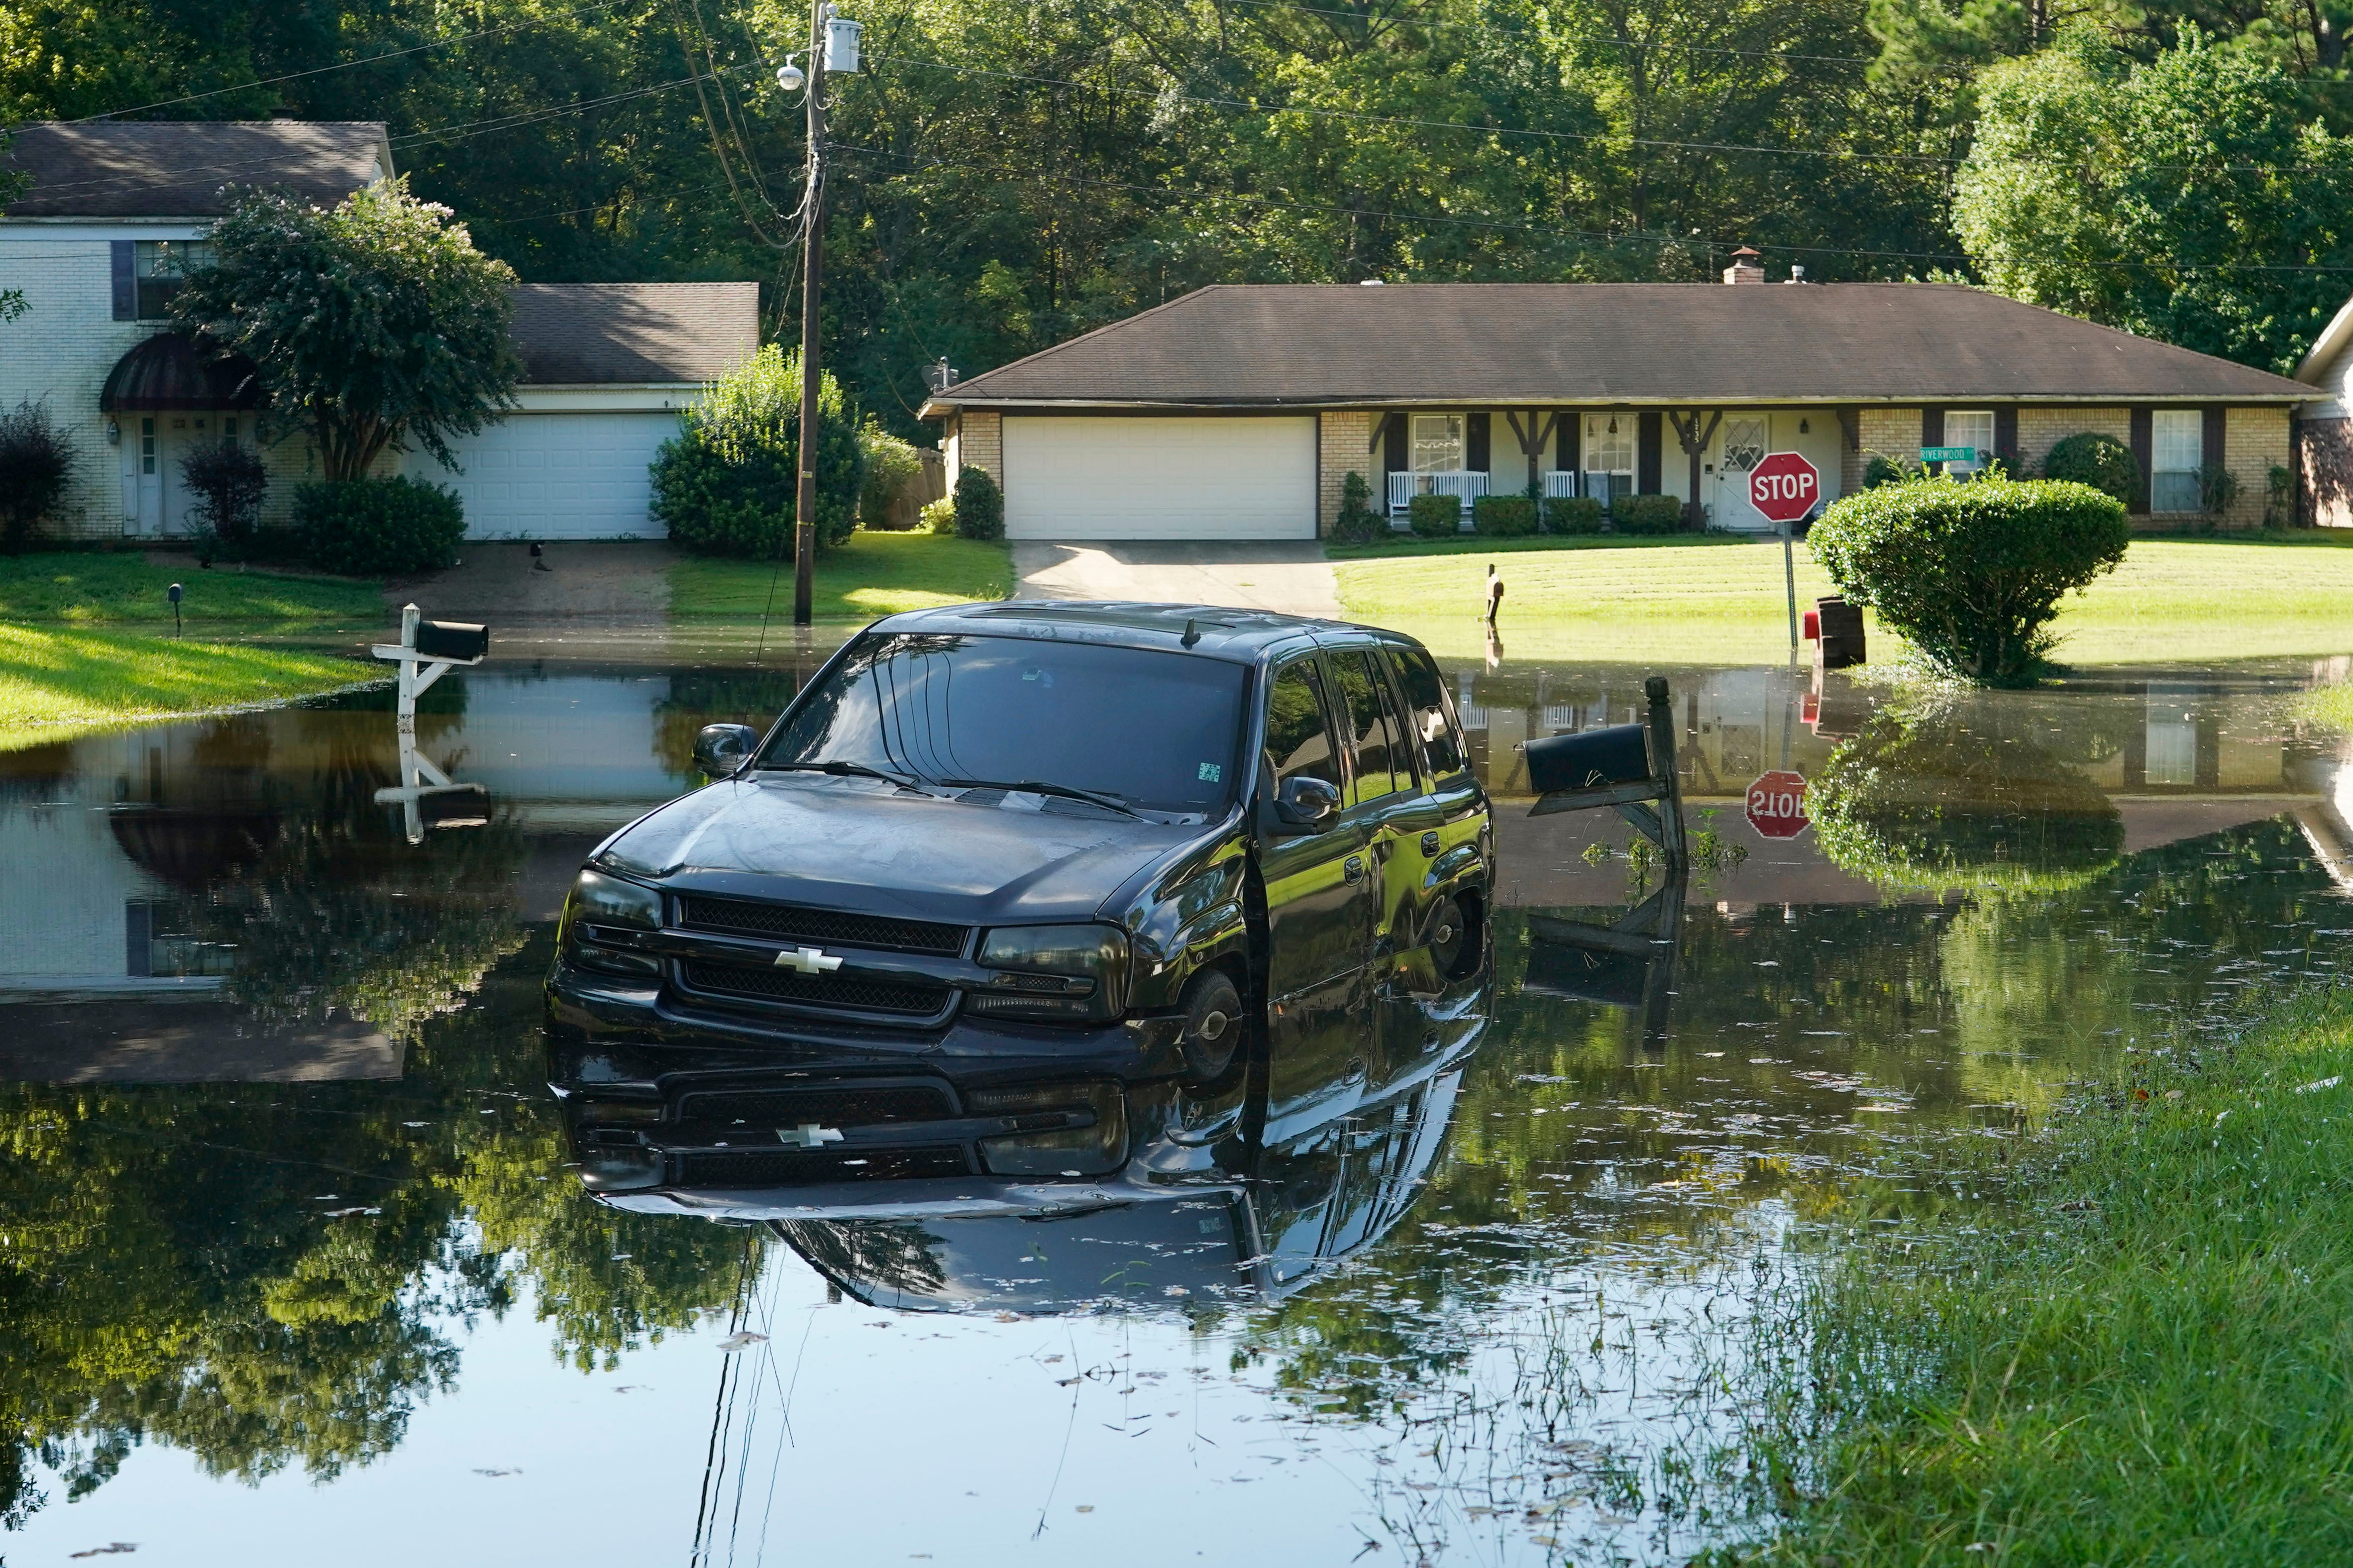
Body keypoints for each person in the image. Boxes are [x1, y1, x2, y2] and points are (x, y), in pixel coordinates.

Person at [1483, 562, 1503, 626]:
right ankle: (1490, 620)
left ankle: (1490, 619)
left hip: (1495, 590)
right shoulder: (1492, 582)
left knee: (1495, 601)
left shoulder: (1494, 583)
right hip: (1494, 591)